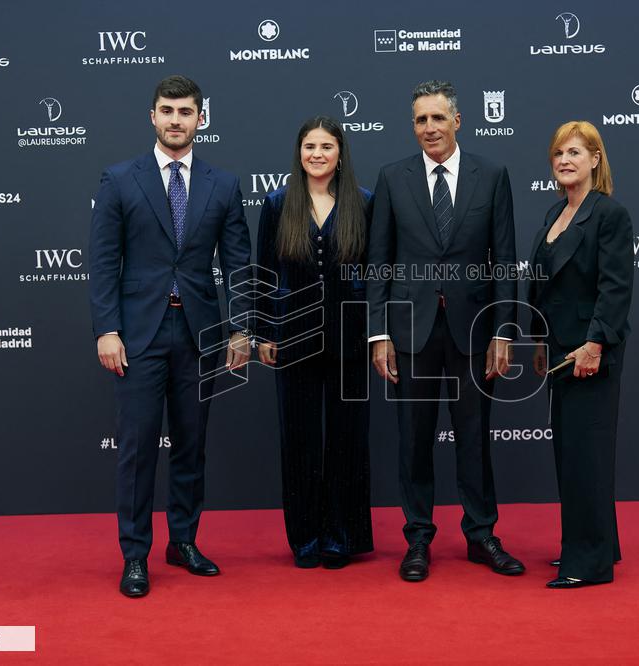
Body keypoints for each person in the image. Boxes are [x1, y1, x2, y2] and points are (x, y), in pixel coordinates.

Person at [89, 75, 253, 597]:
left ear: (201, 118)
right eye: (167, 110)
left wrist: (241, 327)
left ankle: (183, 541)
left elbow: (238, 263)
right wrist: (107, 329)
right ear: (153, 116)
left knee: (191, 444)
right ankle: (135, 554)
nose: (176, 120)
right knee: (138, 449)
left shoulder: (223, 184)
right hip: (138, 334)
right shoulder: (120, 179)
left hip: (200, 333)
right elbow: (103, 262)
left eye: (185, 111)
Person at [367, 80, 523, 582]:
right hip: (410, 331)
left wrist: (504, 331)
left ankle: (481, 535)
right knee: (413, 441)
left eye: (438, 118)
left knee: (474, 438)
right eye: (421, 120)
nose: (429, 128)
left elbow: (505, 260)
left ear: (458, 121)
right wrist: (378, 334)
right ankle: (417, 538)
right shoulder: (392, 178)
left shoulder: (491, 175)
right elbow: (379, 262)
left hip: (473, 330)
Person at [255, 116, 374, 569]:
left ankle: (341, 536)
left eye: (326, 146)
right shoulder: (277, 203)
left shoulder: (364, 203)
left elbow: (377, 272)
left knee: (347, 437)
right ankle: (305, 537)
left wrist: (377, 332)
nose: (317, 154)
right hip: (294, 335)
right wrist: (265, 331)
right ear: (299, 153)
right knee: (300, 437)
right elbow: (264, 273)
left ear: (340, 153)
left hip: (351, 337)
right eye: (310, 146)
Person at [526, 120, 633, 588]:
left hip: (591, 354)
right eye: (558, 153)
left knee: (587, 454)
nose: (565, 160)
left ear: (595, 159)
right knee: (571, 454)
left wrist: (595, 344)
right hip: (559, 351)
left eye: (574, 152)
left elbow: (616, 288)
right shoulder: (556, 213)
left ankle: (588, 564)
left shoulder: (609, 214)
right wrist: (538, 340)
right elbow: (545, 287)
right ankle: (596, 544)